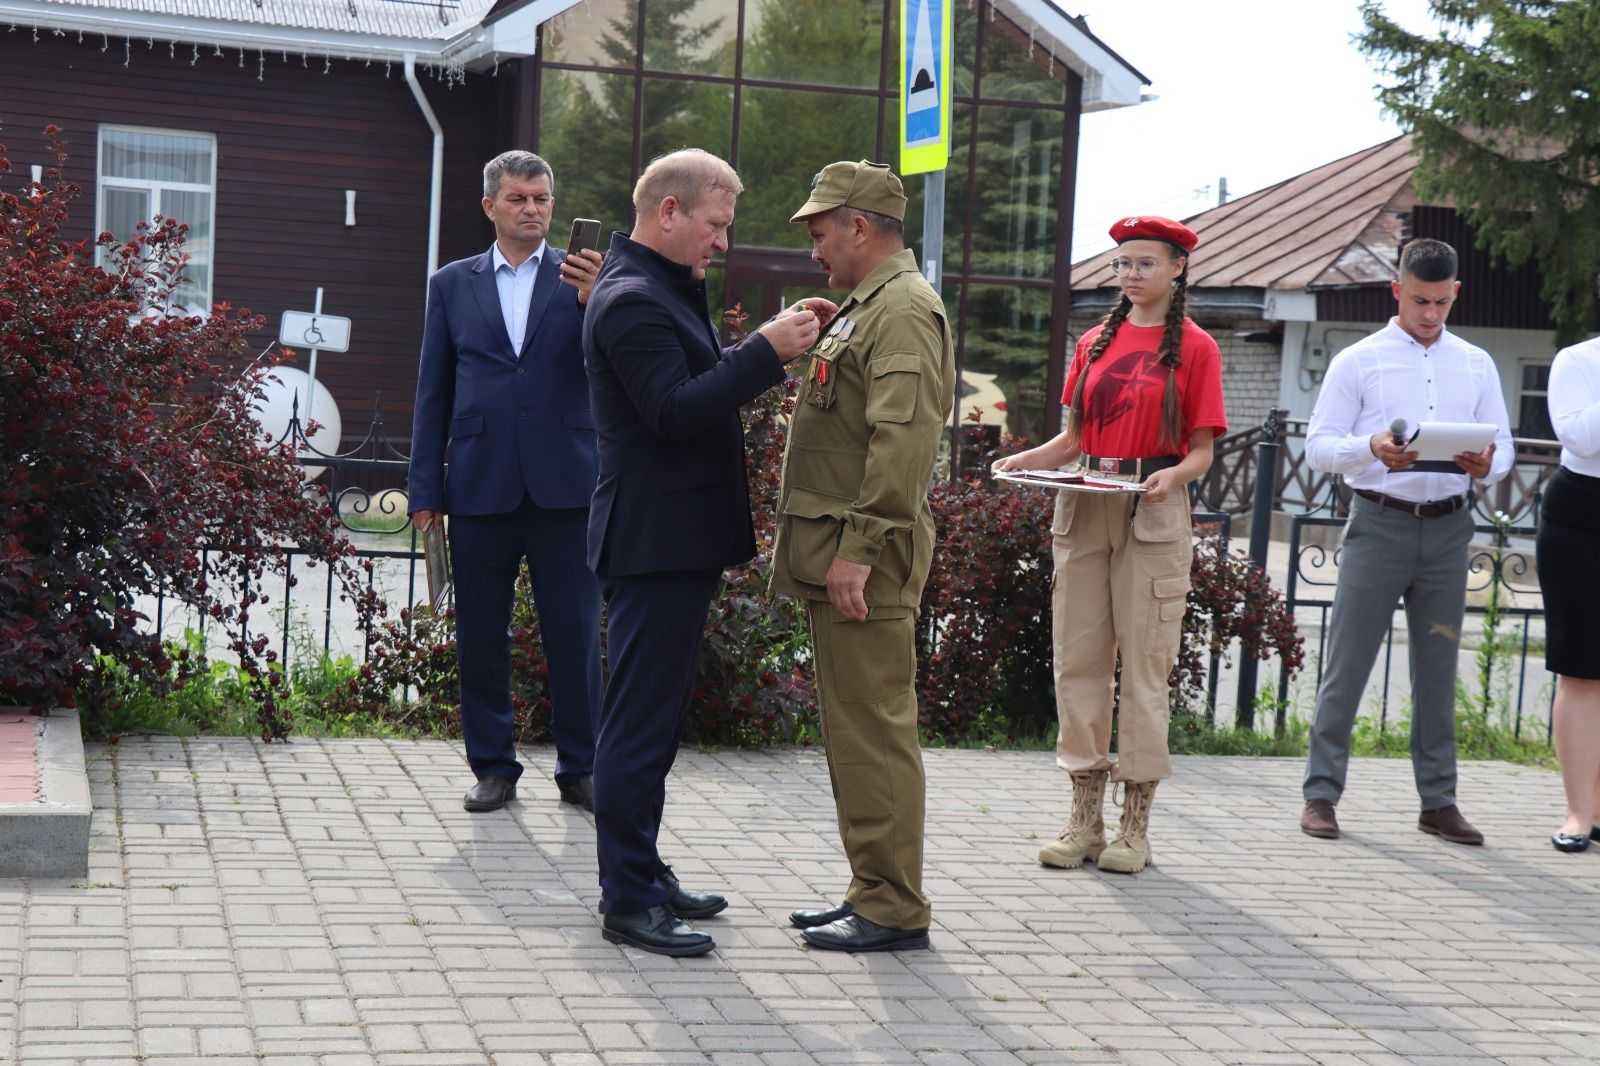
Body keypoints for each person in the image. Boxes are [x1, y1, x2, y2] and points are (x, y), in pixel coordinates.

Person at [583, 148, 822, 957]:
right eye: (716, 225)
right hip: (651, 544)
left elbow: (692, 386)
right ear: (670, 212)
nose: (723, 242)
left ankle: (643, 873)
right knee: (637, 729)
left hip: (671, 542)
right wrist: (765, 350)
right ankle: (627, 899)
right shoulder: (629, 298)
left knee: (651, 723)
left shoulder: (662, 285)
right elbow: (673, 412)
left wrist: (761, 349)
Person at [991, 215, 1225, 876]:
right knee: (1079, 664)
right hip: (1085, 505)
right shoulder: (1094, 341)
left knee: (1145, 673)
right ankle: (1083, 822)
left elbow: (1203, 451)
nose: (1131, 275)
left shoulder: (1199, 348)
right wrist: (1023, 460)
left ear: (1176, 268)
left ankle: (1135, 827)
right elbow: (1071, 440)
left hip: (1152, 514)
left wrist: (1172, 475)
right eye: (1123, 263)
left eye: (1145, 263)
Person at [772, 160, 956, 953]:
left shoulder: (905, 311)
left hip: (863, 559)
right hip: (842, 551)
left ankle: (893, 906)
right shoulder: (867, 307)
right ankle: (870, 887)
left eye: (821, 232)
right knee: (855, 731)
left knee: (876, 731)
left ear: (859, 226)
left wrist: (860, 550)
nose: (815, 248)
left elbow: (902, 446)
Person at [408, 150, 606, 815]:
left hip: (566, 485)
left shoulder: (586, 278)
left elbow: (613, 366)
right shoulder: (451, 284)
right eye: (518, 198)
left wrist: (597, 299)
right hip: (480, 484)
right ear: (490, 205)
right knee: (481, 635)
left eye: (543, 198)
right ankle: (493, 766)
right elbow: (432, 390)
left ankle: (583, 767)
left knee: (575, 634)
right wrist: (424, 490)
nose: (532, 209)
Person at [1299, 237, 1512, 845]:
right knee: (1347, 663)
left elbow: (1507, 451)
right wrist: (1369, 447)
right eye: (1420, 300)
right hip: (1379, 523)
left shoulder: (1476, 363)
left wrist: (1486, 465)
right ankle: (1320, 794)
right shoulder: (1358, 360)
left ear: (1455, 294)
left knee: (1439, 668)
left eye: (1442, 303)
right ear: (1397, 290)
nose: (1430, 314)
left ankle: (1438, 803)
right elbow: (1318, 447)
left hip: (1450, 528)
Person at [1535, 331, 1600, 853]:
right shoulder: (1576, 361)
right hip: (1581, 516)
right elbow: (1579, 437)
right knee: (1581, 668)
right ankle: (1581, 814)